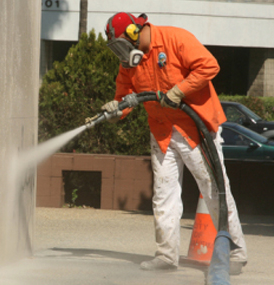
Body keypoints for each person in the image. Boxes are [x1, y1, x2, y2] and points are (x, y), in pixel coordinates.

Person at [101, 12, 248, 274]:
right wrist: (115, 110)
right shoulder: (129, 64)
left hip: (196, 128)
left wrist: (178, 91)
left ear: (135, 32)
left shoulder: (174, 38)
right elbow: (125, 98)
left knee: (215, 189)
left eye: (122, 44)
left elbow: (209, 65)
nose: (122, 54)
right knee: (163, 195)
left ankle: (235, 251)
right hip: (162, 132)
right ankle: (167, 256)